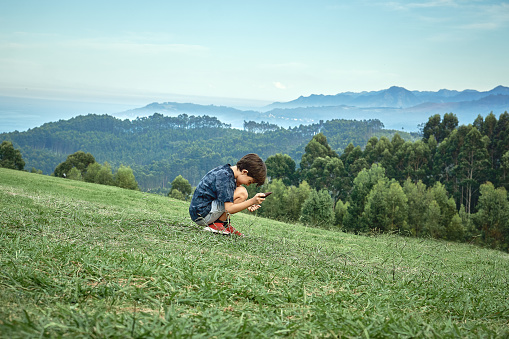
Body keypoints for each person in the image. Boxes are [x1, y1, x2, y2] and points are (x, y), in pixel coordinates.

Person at [189, 153, 267, 236]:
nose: (248, 185)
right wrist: (251, 201)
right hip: (202, 215)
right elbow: (229, 209)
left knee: (240, 191)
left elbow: (223, 195)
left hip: (199, 211)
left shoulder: (226, 172)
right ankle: (218, 224)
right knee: (242, 192)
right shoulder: (225, 177)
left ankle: (225, 225)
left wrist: (246, 204)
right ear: (244, 172)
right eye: (249, 182)